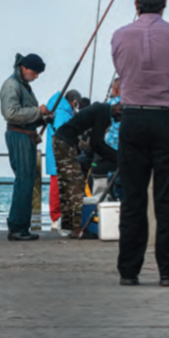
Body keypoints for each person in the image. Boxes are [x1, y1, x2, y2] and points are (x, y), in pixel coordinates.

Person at [111, 0, 169, 287]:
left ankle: (129, 271)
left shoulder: (119, 36)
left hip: (132, 119)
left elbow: (123, 72)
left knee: (133, 197)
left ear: (136, 4)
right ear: (164, 3)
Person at [0, 53, 51, 241]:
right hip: (19, 136)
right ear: (25, 68)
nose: (36, 76)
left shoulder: (23, 86)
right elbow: (11, 113)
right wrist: (39, 111)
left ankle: (21, 226)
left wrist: (43, 117)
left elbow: (26, 114)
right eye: (35, 72)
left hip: (26, 136)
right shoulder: (11, 85)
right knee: (23, 180)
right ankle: (17, 227)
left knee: (27, 181)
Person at [52, 102, 122, 239]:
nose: (117, 121)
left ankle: (68, 226)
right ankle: (78, 228)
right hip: (65, 143)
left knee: (66, 184)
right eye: (120, 117)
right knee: (76, 184)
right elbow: (96, 143)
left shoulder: (101, 109)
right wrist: (117, 157)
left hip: (61, 141)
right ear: (118, 108)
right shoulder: (104, 113)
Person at [43, 89, 81, 234]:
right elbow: (63, 133)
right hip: (61, 155)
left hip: (55, 154)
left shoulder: (56, 109)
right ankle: (56, 218)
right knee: (58, 188)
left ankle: (56, 218)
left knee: (56, 187)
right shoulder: (63, 113)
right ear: (74, 102)